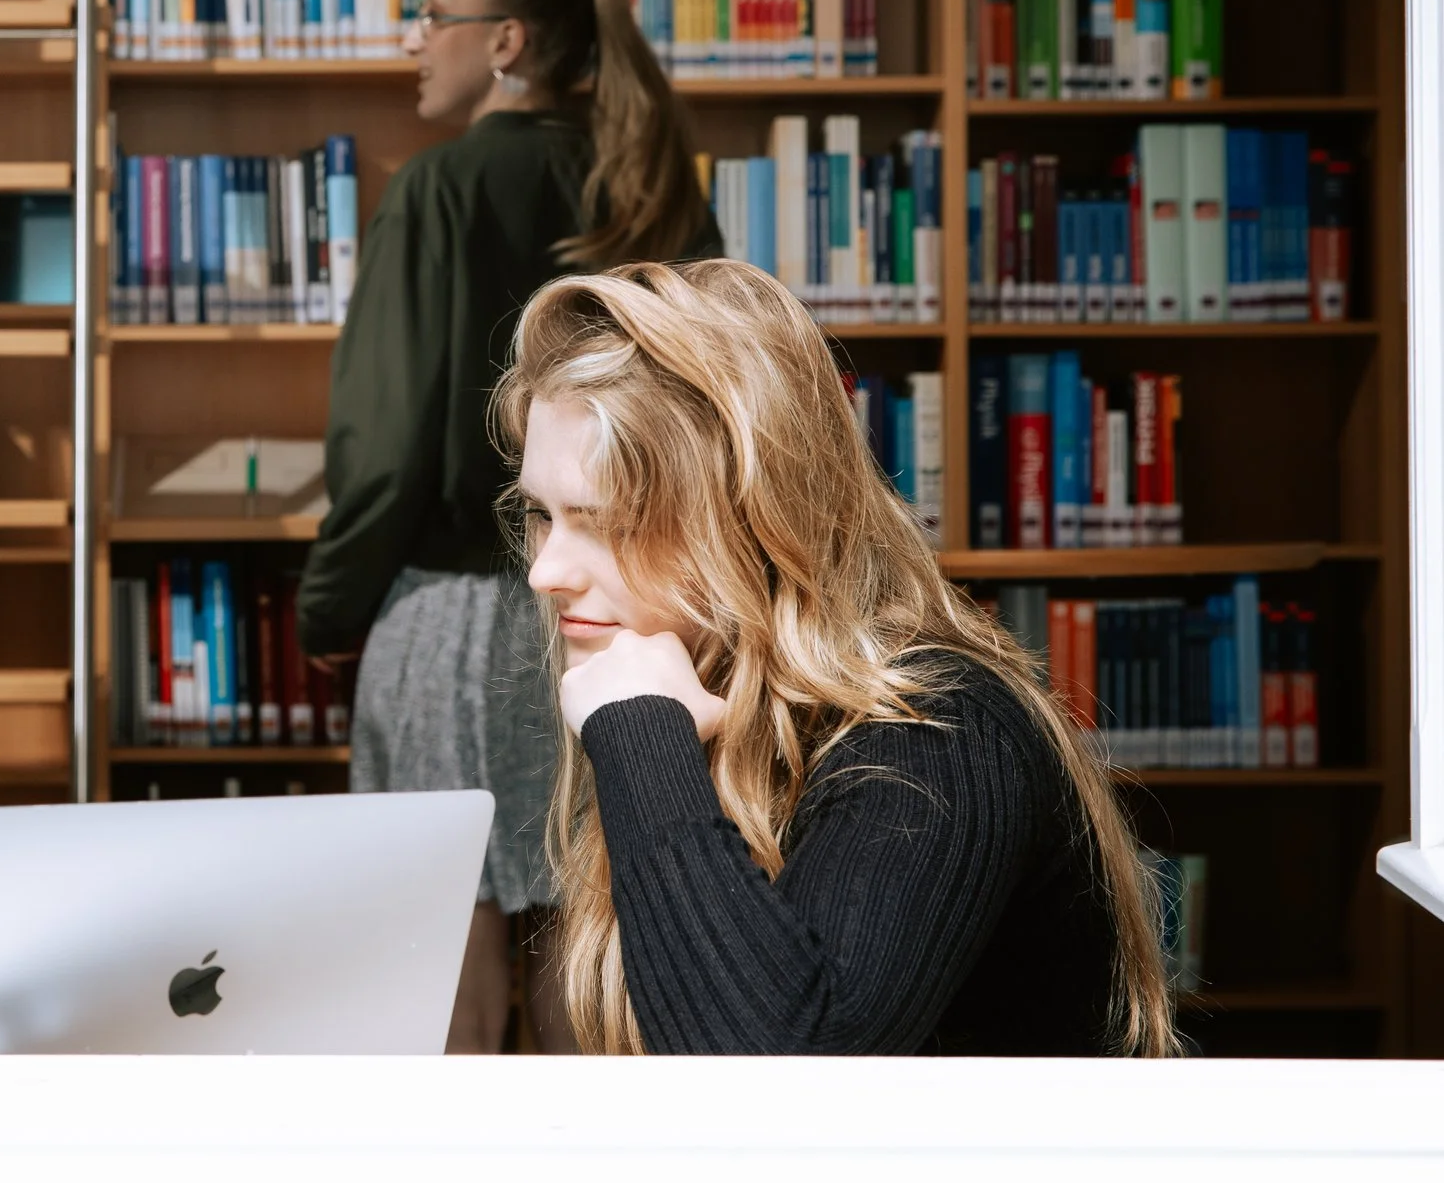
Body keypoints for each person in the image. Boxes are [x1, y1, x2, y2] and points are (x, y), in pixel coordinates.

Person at [498, 259, 1178, 1055]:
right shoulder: (701, 686)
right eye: (541, 515)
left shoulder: (940, 731)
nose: (545, 571)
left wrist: (642, 734)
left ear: (751, 520)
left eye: (606, 521)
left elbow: (781, 1081)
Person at [296, 0, 717, 1052]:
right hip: (639, 611)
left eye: (435, 13)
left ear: (508, 43)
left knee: (454, 972)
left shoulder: (438, 187)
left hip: (459, 617)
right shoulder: (656, 187)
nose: (415, 40)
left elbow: (386, 448)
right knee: (599, 946)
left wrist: (330, 609)